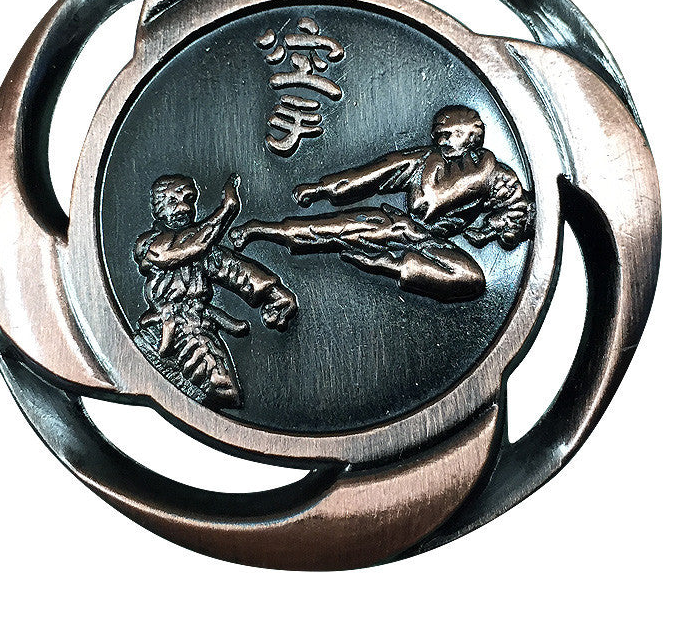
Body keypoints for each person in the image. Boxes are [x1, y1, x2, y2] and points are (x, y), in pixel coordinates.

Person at [229, 106, 534, 302]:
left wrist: (493, 228)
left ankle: (388, 265)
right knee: (330, 229)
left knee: (471, 279)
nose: (442, 142)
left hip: (431, 244)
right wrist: (320, 189)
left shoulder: (495, 173)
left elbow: (517, 209)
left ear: (471, 133)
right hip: (399, 225)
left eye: (448, 135)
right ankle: (258, 229)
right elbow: (372, 175)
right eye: (438, 136)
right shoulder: (423, 160)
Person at [134, 173, 297, 408]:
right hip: (169, 328)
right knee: (222, 390)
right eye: (173, 201)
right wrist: (225, 210)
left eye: (189, 200)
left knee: (226, 392)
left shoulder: (203, 249)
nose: (184, 208)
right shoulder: (151, 244)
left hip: (198, 326)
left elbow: (234, 269)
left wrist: (275, 293)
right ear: (159, 208)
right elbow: (184, 249)